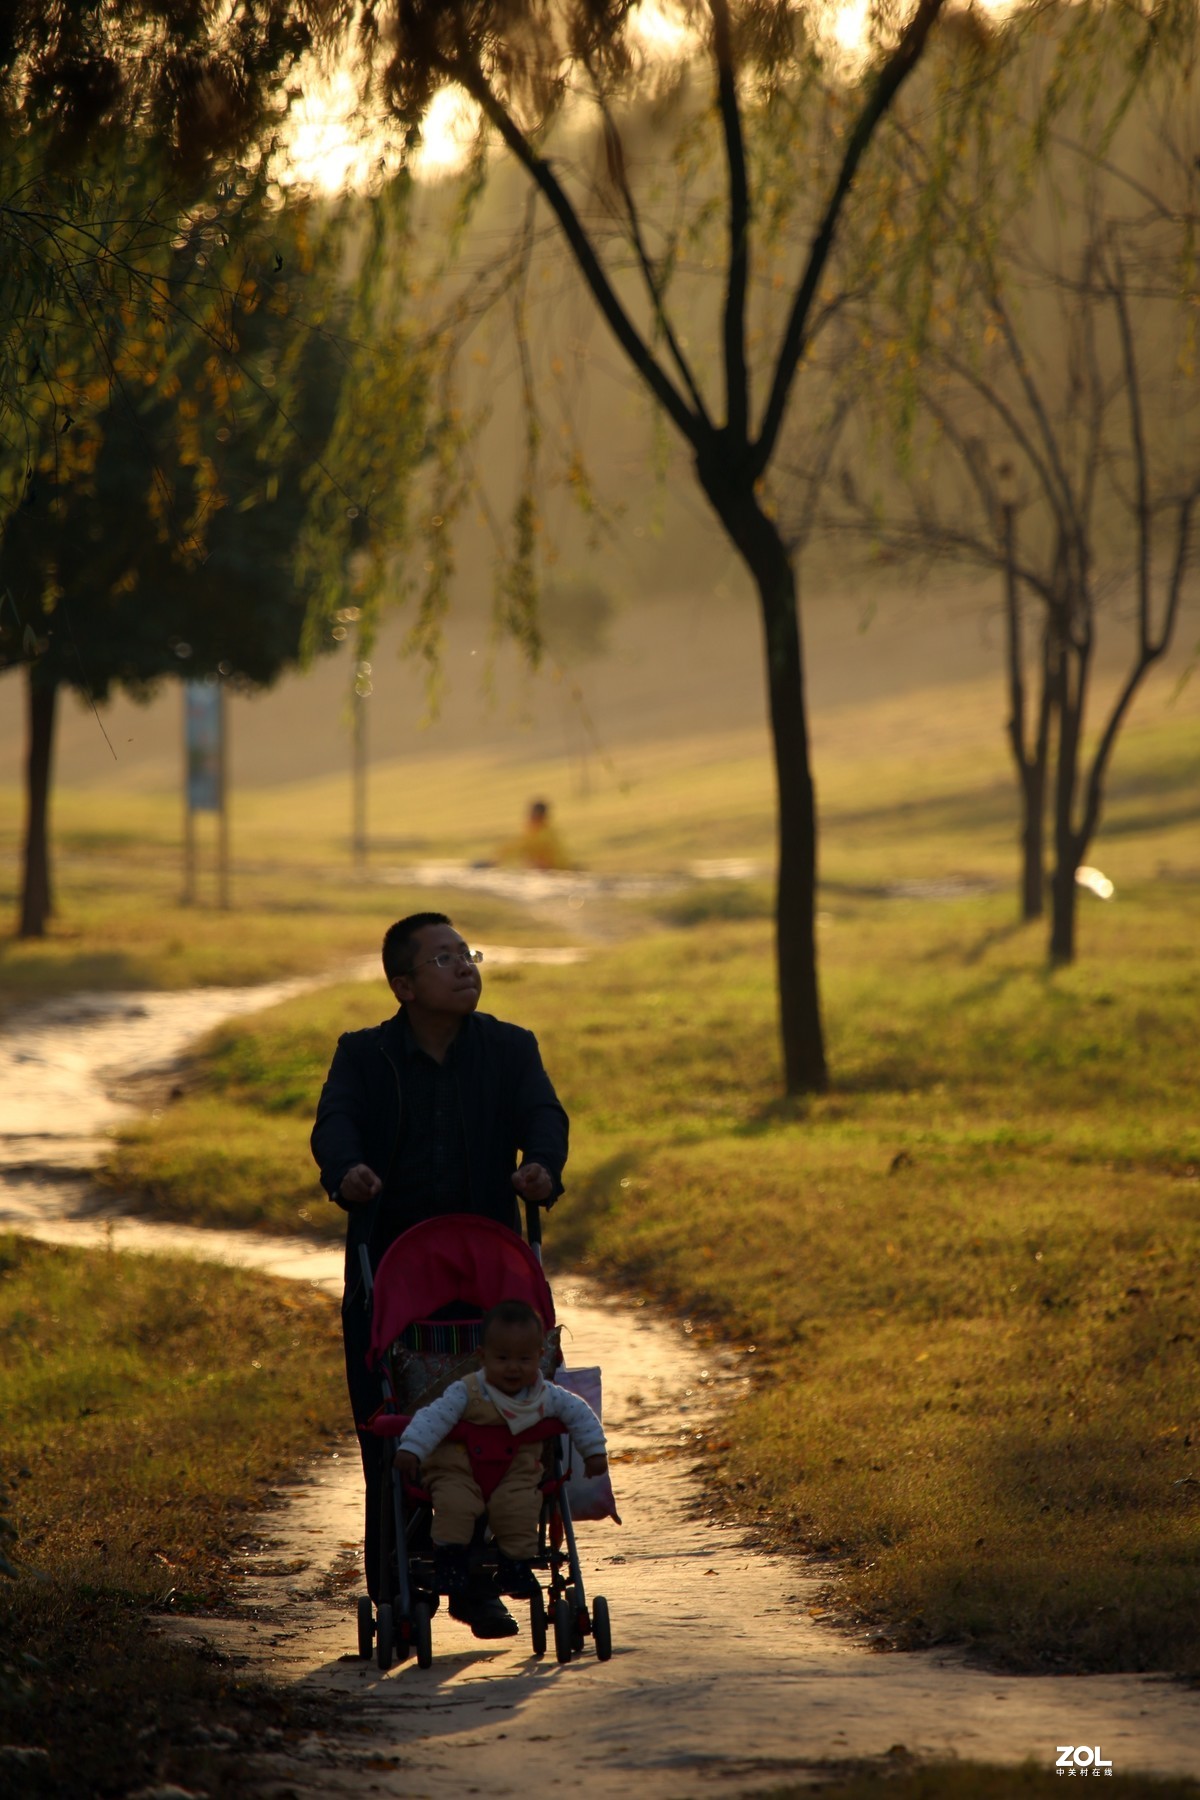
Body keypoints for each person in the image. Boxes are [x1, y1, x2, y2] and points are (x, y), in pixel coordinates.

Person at [310, 911, 569, 1631]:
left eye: (468, 954)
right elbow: (336, 1126)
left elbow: (544, 1116)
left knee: (500, 1426)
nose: (464, 968)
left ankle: (479, 1582)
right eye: (444, 959)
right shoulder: (364, 1055)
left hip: (490, 1276)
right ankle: (399, 1584)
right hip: (394, 1276)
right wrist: (346, 1171)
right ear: (404, 986)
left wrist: (543, 1166)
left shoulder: (510, 1049)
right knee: (393, 1431)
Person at [395, 1298, 608, 1636]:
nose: (513, 1368)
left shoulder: (548, 1394)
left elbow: (580, 1414)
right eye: (502, 1358)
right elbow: (432, 1418)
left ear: (541, 1357)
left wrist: (594, 1451)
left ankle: (515, 1564)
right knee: (454, 1505)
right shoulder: (465, 1391)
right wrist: (412, 1449)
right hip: (460, 1470)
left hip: (515, 1473)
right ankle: (449, 1559)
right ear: (482, 1358)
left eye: (524, 1359)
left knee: (521, 1507)